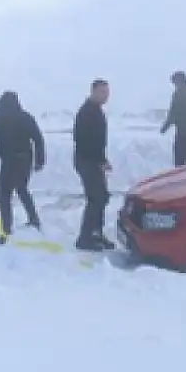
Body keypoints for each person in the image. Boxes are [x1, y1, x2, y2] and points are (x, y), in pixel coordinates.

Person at [0, 90, 46, 243]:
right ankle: (34, 219)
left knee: (4, 195)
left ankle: (6, 229)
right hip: (25, 159)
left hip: (9, 161)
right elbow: (38, 138)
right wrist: (39, 160)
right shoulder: (25, 117)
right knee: (22, 189)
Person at [72, 78, 113, 250]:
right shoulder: (87, 112)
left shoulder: (96, 110)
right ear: (93, 92)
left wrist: (103, 159)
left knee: (102, 197)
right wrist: (99, 161)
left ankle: (96, 233)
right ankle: (85, 238)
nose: (106, 96)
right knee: (96, 198)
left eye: (107, 92)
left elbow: (98, 141)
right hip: (86, 160)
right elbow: (83, 141)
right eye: (102, 92)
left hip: (94, 160)